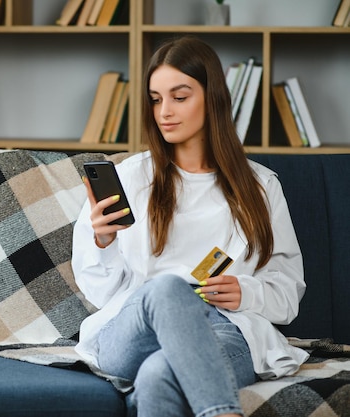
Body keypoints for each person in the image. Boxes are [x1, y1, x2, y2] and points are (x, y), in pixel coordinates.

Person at [72, 36, 308, 417]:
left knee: (158, 374)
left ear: (212, 99)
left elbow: (287, 290)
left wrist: (245, 292)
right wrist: (103, 241)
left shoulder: (261, 187)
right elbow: (102, 293)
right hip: (133, 332)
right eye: (155, 99)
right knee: (167, 288)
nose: (164, 111)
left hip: (223, 329)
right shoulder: (130, 178)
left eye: (179, 97)